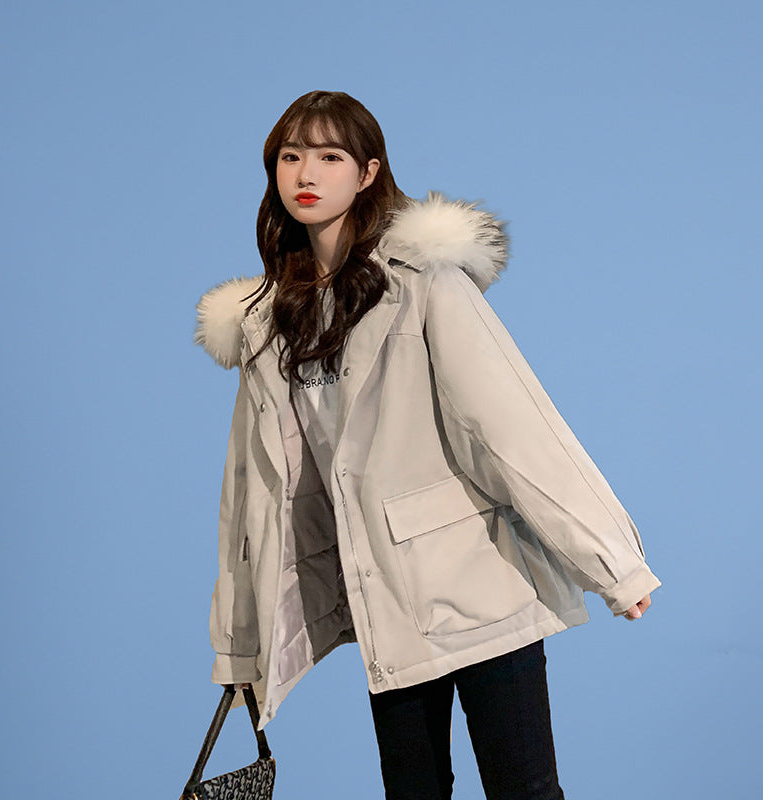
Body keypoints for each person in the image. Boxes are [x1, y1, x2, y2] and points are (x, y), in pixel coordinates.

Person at [194, 90, 661, 800]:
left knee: (526, 791)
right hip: (381, 597)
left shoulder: (422, 283)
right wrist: (239, 645)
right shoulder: (270, 325)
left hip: (480, 583)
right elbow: (251, 497)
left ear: (369, 172)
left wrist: (611, 562)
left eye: (329, 156)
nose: (305, 174)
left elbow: (511, 425)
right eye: (290, 157)